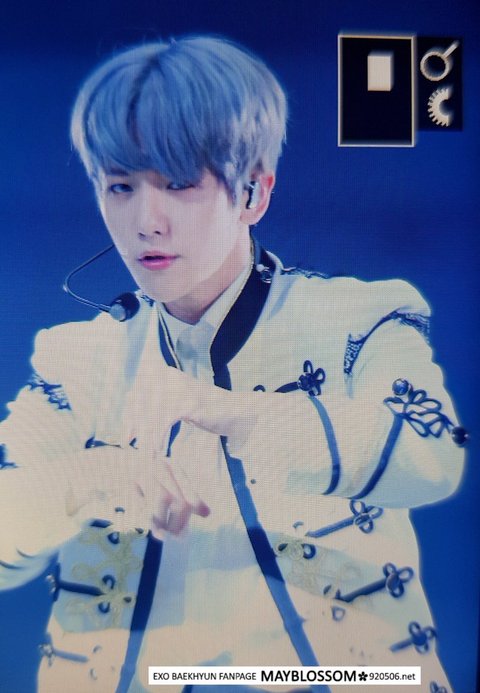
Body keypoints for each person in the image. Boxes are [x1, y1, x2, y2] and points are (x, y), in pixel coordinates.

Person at [0, 35, 466, 693]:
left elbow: (434, 453)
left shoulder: (360, 318)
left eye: (179, 183)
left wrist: (234, 412)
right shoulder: (75, 360)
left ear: (254, 193)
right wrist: (92, 479)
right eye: (120, 186)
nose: (145, 222)